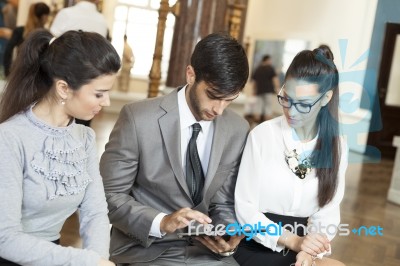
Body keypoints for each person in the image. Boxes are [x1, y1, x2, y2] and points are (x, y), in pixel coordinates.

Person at [100, 32, 249, 265]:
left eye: (229, 99)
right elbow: (109, 196)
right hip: (147, 248)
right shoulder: (138, 118)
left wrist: (227, 230)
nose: (219, 109)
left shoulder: (237, 128)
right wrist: (162, 221)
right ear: (191, 74)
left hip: (207, 253)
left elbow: (222, 202)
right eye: (213, 95)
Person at [0, 29, 121, 265]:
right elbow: (5, 237)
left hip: (53, 256)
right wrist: (84, 261)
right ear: (64, 88)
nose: (106, 102)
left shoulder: (84, 137)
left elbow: (94, 213)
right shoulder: (10, 137)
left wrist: (99, 260)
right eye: (99, 94)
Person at [234, 46, 348, 266]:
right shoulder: (262, 136)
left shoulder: (336, 146)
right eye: (286, 98)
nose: (291, 111)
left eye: (304, 105)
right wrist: (294, 241)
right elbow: (245, 207)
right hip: (259, 242)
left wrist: (309, 251)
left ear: (326, 99)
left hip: (303, 246)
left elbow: (328, 212)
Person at [2, 2, 50, 77]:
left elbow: (8, 52)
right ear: (44, 17)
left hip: (19, 74)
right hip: (36, 77)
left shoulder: (20, 31)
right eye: (48, 16)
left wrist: (7, 73)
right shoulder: (45, 35)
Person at [247, 54, 280, 123]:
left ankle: (256, 123)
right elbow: (275, 80)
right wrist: (277, 89)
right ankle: (267, 124)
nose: (271, 61)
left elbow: (254, 82)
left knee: (258, 107)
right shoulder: (270, 68)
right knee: (268, 108)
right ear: (267, 60)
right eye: (270, 60)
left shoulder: (258, 69)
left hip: (259, 91)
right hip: (268, 91)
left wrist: (254, 91)